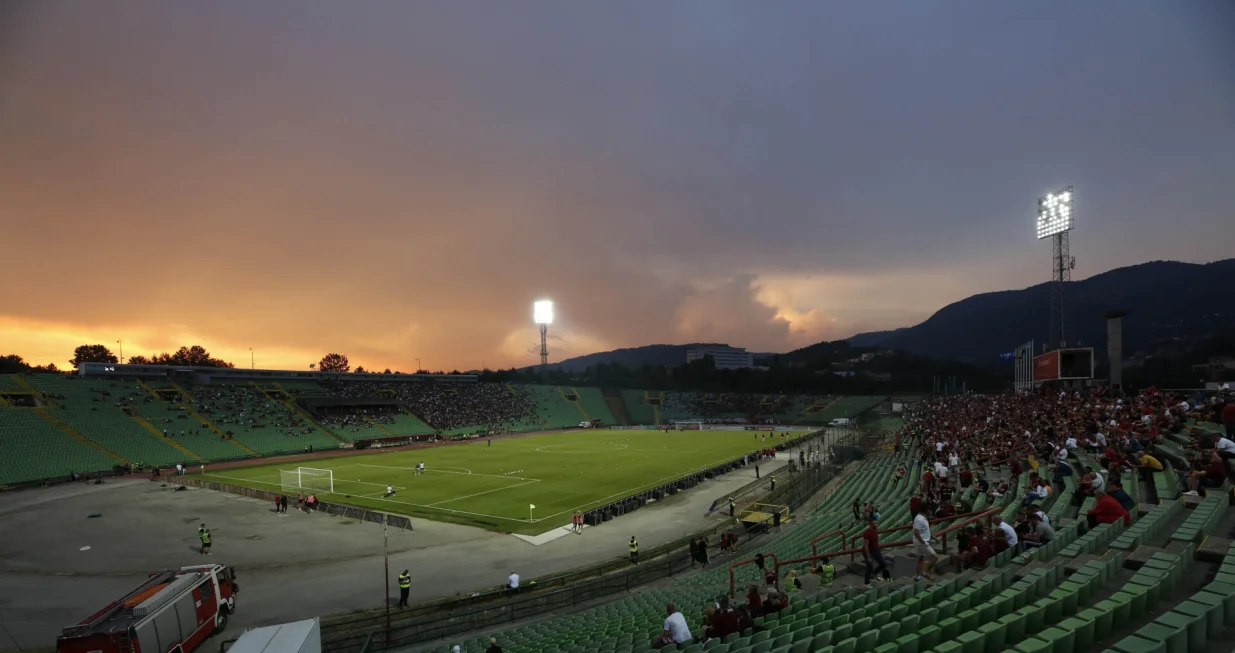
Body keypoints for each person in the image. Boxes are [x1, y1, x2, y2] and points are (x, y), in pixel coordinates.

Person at [862, 518, 892, 586]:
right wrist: (868, 557)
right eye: (875, 523)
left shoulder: (875, 530)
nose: (877, 524)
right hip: (868, 551)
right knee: (869, 567)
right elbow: (866, 546)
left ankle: (873, 574)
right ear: (870, 524)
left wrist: (879, 548)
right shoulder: (867, 533)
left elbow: (876, 541)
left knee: (884, 563)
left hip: (875, 550)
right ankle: (866, 583)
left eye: (877, 523)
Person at [912, 506, 937, 582]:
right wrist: (922, 541)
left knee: (920, 559)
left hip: (922, 541)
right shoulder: (920, 519)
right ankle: (926, 572)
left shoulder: (921, 517)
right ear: (926, 510)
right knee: (935, 557)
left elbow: (924, 530)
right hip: (922, 542)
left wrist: (931, 536)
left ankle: (917, 577)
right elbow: (916, 531)